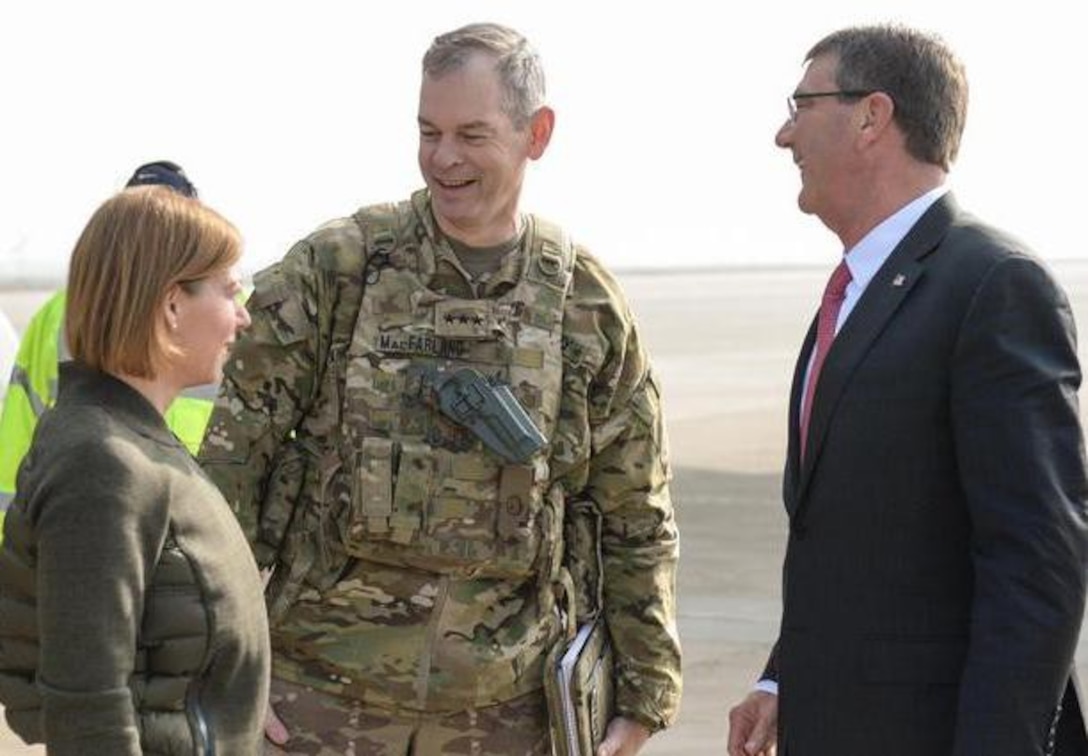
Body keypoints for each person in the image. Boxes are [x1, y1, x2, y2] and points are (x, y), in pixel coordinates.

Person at [199, 20, 681, 756]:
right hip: (316, 705)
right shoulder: (339, 269)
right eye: (428, 132)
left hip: (506, 714)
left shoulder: (584, 303)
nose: (444, 158)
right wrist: (223, 659)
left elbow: (635, 511)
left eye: (472, 134)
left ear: (536, 133)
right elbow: (228, 471)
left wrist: (643, 698)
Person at [726, 23, 1088, 756]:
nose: (782, 134)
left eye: (801, 104)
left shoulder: (993, 285)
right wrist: (782, 678)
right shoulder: (857, 292)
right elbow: (860, 541)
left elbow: (1038, 563)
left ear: (872, 117)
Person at [0, 185, 269, 754]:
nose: (242, 315)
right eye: (227, 291)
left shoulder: (135, 440)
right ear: (172, 305)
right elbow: (88, 705)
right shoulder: (102, 464)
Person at [0, 160, 210, 537]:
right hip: (98, 516)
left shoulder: (231, 312)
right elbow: (19, 434)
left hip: (191, 526)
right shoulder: (57, 315)